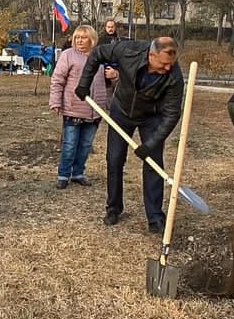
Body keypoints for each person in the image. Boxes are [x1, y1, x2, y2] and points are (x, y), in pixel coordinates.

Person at [75, 37, 184, 234]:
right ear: (151, 55)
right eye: (164, 64)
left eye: (171, 64)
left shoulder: (174, 76)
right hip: (122, 111)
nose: (168, 68)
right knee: (114, 159)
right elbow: (97, 54)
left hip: (152, 116)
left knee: (153, 163)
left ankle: (155, 217)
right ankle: (114, 208)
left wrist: (150, 144)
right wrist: (85, 83)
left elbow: (171, 115)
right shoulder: (128, 51)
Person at [49, 25, 114, 189]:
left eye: (83, 37)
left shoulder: (100, 57)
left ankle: (78, 173)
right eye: (77, 37)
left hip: (95, 111)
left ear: (92, 39)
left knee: (85, 145)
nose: (79, 40)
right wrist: (56, 101)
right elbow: (57, 79)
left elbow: (108, 84)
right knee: (70, 145)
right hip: (73, 108)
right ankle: (64, 175)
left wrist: (114, 76)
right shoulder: (67, 55)